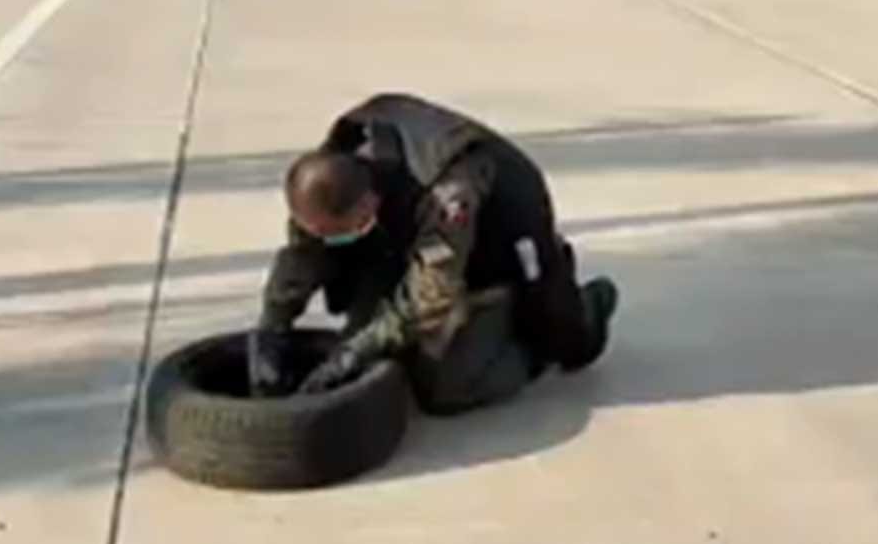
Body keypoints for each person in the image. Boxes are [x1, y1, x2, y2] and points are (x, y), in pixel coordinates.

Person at [250, 93, 619, 415]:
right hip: (411, 231)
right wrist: (271, 326)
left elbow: (432, 294)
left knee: (445, 388)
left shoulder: (449, 194)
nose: (327, 241)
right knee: (366, 328)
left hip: (500, 238)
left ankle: (579, 305)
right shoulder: (332, 173)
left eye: (339, 233)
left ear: (370, 204)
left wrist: (358, 350)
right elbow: (303, 251)